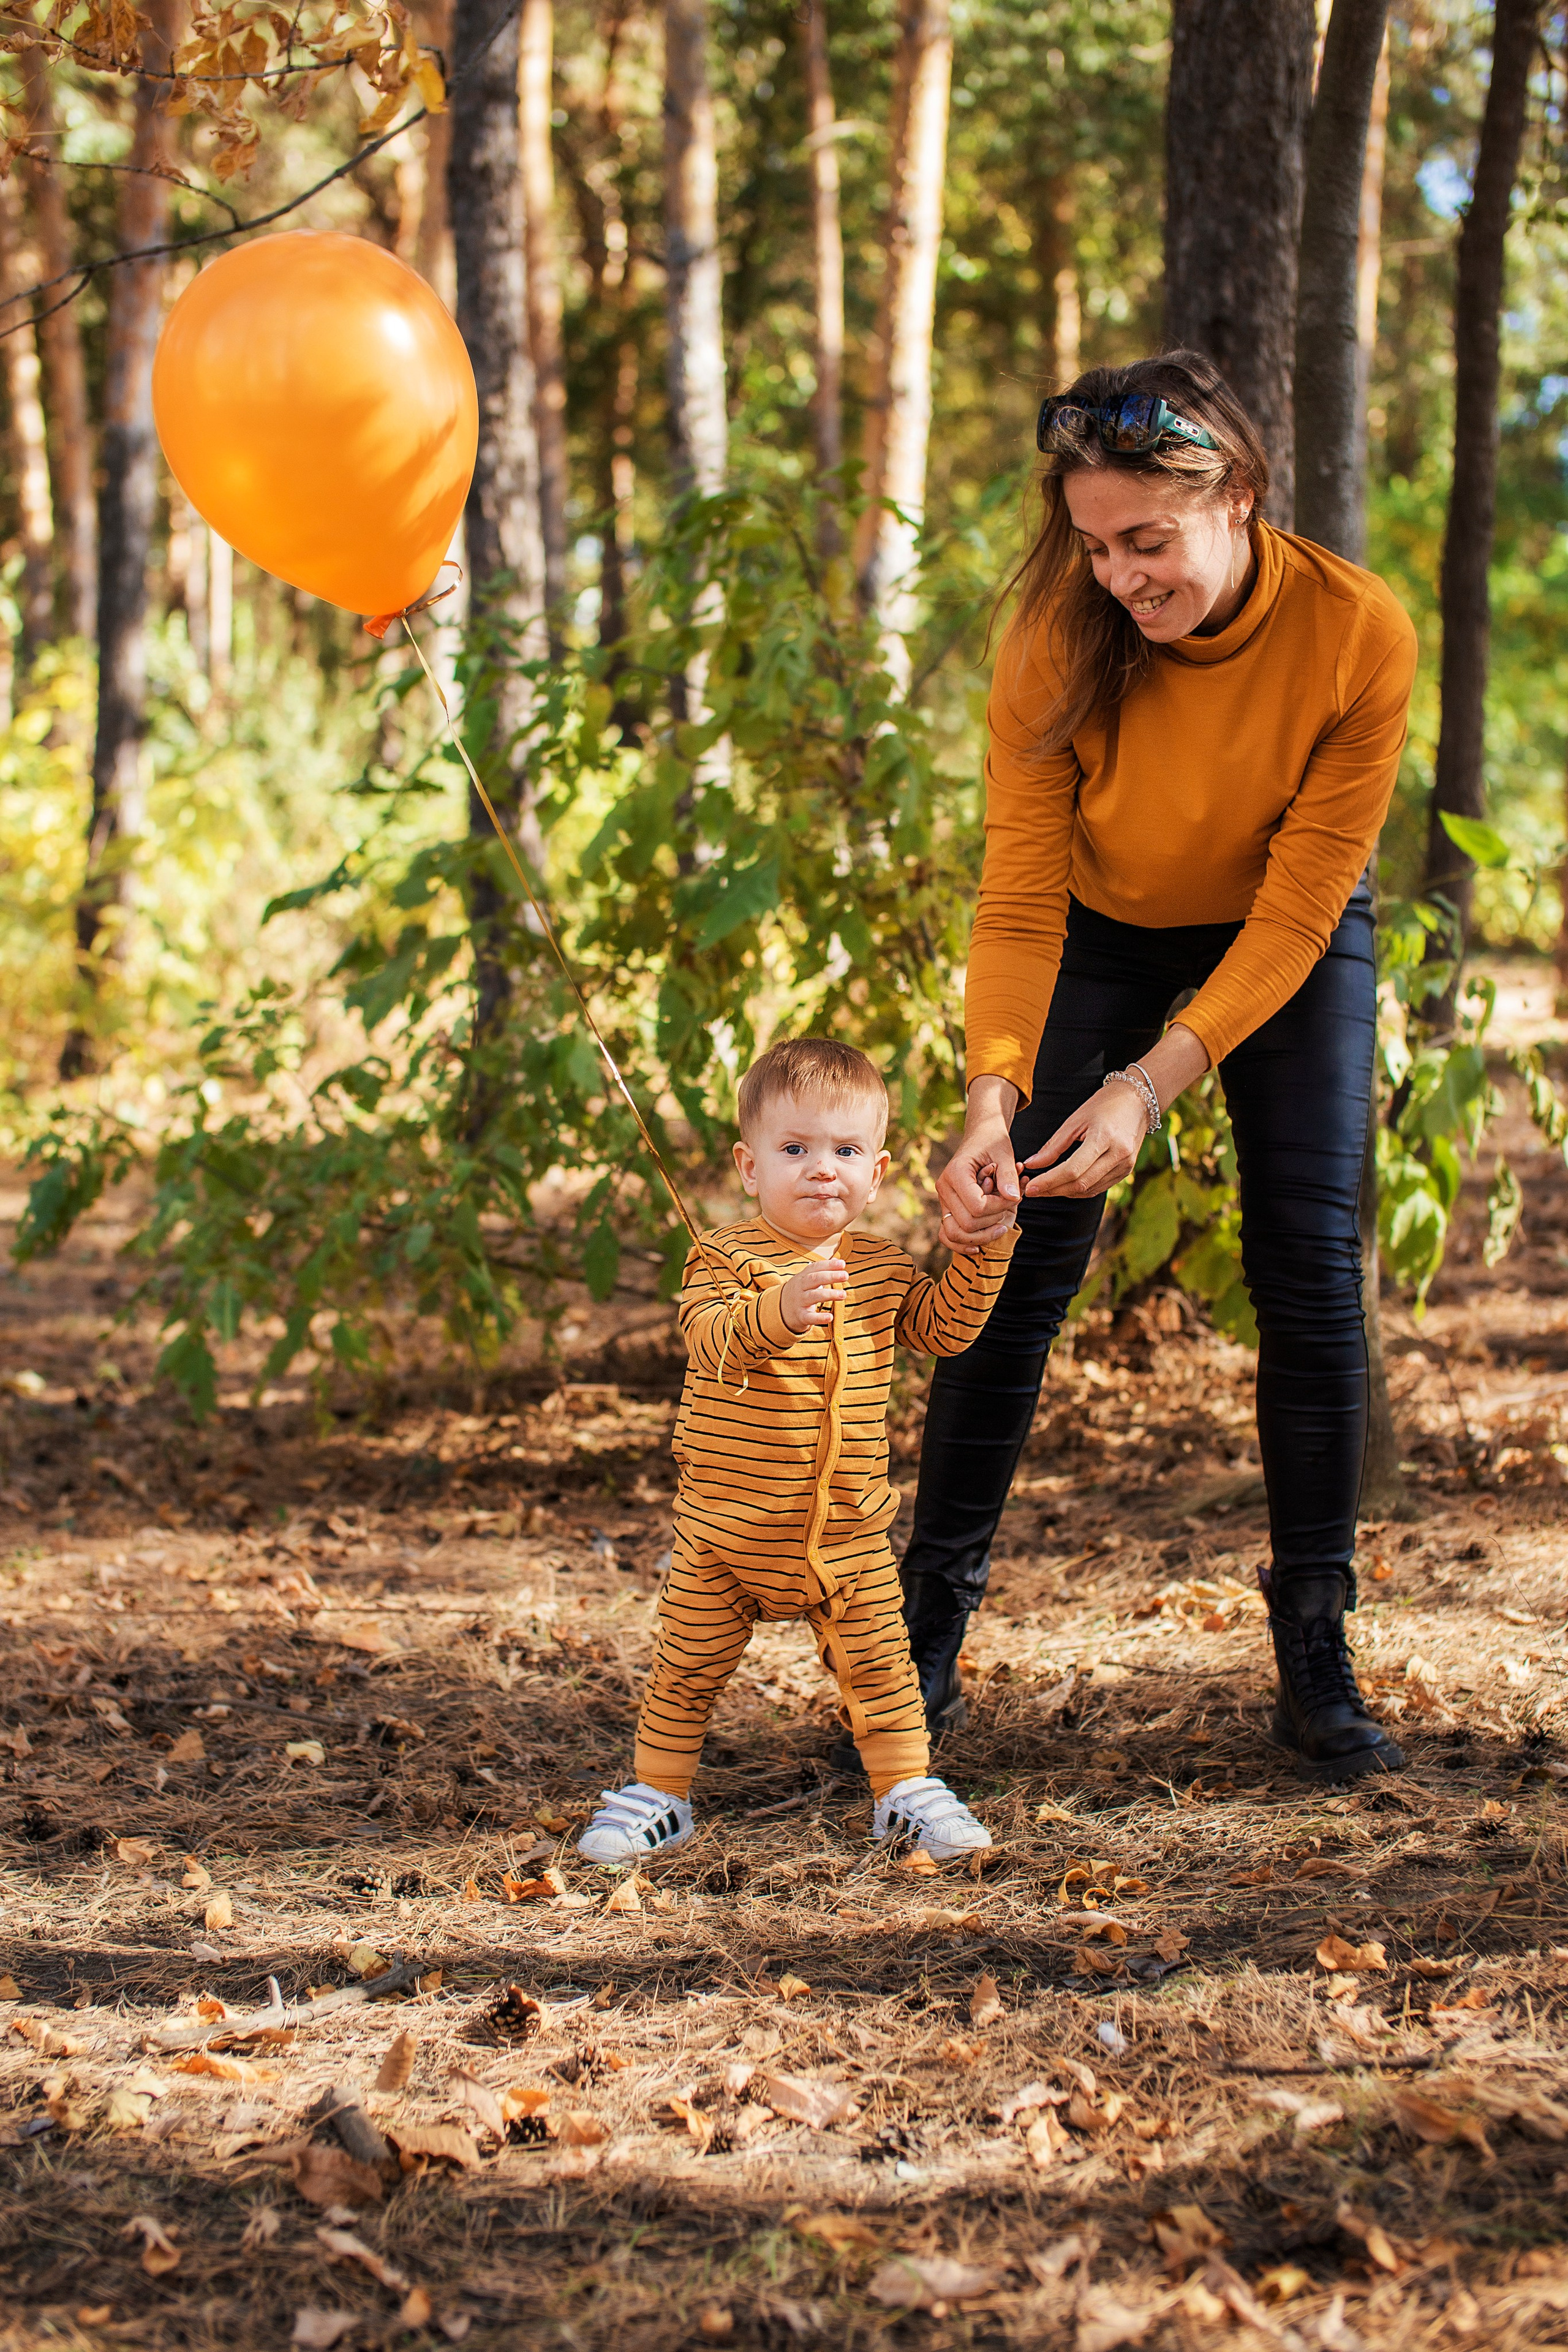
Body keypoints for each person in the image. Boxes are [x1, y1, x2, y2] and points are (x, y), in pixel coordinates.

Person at [900, 350, 1419, 1783]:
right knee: (1015, 1245)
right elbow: (1016, 894)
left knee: (1310, 1263)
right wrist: (991, 1098)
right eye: (1092, 545)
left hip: (1283, 930)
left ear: (1235, 497)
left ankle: (1312, 1644)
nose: (1119, 575)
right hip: (1099, 922)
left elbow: (1306, 902)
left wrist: (1150, 1083)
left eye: (1147, 541)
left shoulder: (1355, 631)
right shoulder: (1059, 642)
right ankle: (919, 1636)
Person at [578, 1038, 1018, 1866]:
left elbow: (945, 1329)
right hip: (728, 1534)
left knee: (884, 1672)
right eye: (796, 1149)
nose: (823, 1170)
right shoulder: (725, 1257)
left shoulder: (881, 1268)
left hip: (847, 1537)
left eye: (846, 1151)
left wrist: (987, 1246)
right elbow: (709, 1342)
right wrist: (778, 1310)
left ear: (878, 1172)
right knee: (686, 1667)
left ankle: (905, 1792)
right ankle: (657, 1793)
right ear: (750, 1168)